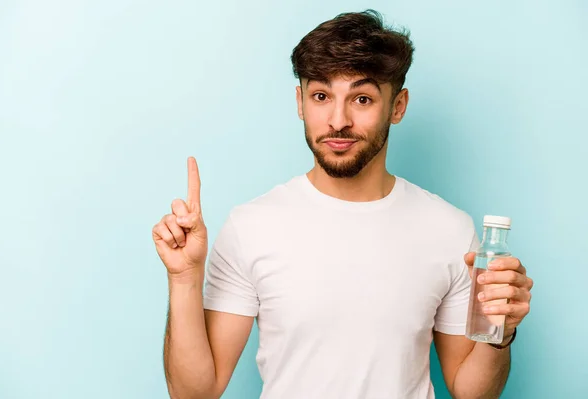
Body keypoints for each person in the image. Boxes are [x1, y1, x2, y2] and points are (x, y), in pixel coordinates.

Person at [152, 9, 534, 399]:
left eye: (362, 98)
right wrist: (183, 279)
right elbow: (193, 393)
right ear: (300, 102)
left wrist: (498, 332)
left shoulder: (449, 229)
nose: (338, 120)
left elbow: (473, 393)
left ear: (397, 106)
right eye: (321, 96)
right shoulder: (252, 226)